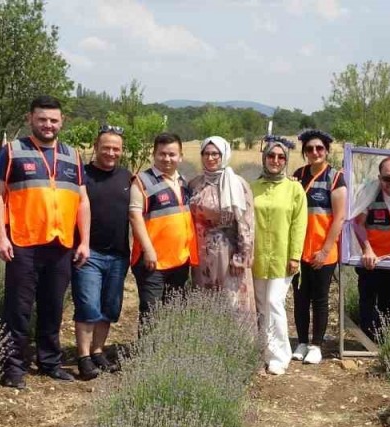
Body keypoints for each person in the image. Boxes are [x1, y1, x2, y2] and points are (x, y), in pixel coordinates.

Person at [0, 95, 91, 389]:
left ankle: (50, 362)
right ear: (30, 119)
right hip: (23, 243)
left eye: (53, 120)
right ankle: (14, 368)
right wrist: (1, 236)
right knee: (18, 309)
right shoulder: (13, 152)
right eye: (42, 119)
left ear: (62, 122)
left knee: (53, 307)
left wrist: (84, 241)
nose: (48, 125)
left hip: (61, 245)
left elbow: (82, 200)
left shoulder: (72, 155)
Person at [71, 125, 132, 380]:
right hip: (89, 253)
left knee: (109, 307)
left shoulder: (128, 177)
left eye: (115, 148)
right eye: (105, 147)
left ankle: (98, 351)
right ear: (95, 147)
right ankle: (83, 357)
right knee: (88, 305)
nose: (110, 152)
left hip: (118, 254)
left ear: (121, 151)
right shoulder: (81, 176)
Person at [251, 137, 307, 375]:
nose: (275, 161)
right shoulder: (252, 187)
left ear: (286, 160)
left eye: (281, 157)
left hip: (283, 259)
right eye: (271, 156)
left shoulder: (294, 188)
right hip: (257, 258)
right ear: (264, 159)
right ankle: (262, 350)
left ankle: (279, 355)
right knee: (261, 306)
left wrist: (295, 255)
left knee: (275, 303)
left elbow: (299, 224)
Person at [291, 129, 347, 364]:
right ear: (304, 152)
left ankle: (317, 345)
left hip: (324, 251)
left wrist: (324, 251)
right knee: (300, 297)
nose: (315, 152)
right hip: (299, 250)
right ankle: (302, 341)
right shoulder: (297, 175)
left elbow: (340, 217)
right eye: (310, 149)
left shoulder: (335, 177)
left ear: (326, 151)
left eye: (319, 148)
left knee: (320, 299)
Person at [130, 132, 197, 326]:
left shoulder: (183, 182)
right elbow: (135, 216)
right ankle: (148, 355)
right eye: (162, 154)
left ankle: (166, 352)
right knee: (151, 313)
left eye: (172, 154)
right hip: (153, 261)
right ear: (154, 154)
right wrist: (148, 250)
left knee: (173, 311)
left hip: (179, 260)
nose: (167, 158)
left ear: (180, 156)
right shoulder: (142, 181)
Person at [189, 136, 256, 323]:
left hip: (228, 252)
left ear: (224, 155)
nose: (210, 158)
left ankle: (236, 348)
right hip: (201, 254)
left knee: (231, 301)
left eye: (215, 154)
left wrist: (241, 257)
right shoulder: (195, 184)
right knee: (205, 299)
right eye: (206, 153)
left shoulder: (237, 184)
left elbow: (246, 223)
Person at [353, 157, 390, 340]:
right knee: (367, 299)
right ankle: (367, 343)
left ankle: (384, 342)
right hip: (370, 259)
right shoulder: (369, 193)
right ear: (379, 177)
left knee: (388, 299)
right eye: (387, 178)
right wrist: (367, 250)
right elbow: (358, 224)